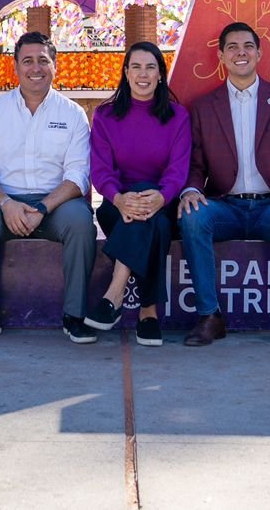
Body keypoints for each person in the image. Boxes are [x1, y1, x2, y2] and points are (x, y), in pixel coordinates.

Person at [178, 22, 270, 351]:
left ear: (259, 53)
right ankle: (209, 317)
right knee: (192, 218)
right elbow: (195, 163)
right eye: (232, 47)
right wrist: (190, 190)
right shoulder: (204, 106)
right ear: (221, 56)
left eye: (247, 46)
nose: (240, 52)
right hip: (224, 204)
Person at [0, 31, 96, 345]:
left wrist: (44, 207)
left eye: (43, 61)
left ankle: (74, 316)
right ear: (15, 67)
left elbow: (78, 176)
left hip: (55, 204)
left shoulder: (72, 114)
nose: (36, 68)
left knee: (81, 222)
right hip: (2, 201)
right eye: (27, 61)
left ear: (55, 66)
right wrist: (6, 204)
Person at [84, 42, 191, 347]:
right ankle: (148, 312)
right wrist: (119, 198)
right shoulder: (105, 115)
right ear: (126, 73)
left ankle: (114, 295)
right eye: (136, 67)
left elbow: (178, 169)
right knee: (148, 222)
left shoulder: (178, 116)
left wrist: (162, 196)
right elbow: (100, 170)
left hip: (163, 203)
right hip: (116, 204)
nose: (143, 74)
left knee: (155, 222)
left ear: (160, 75)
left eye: (150, 67)